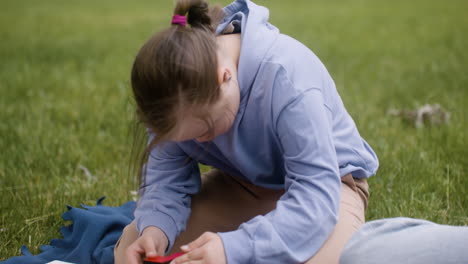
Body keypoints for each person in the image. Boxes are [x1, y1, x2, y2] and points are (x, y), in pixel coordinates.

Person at [114, 0, 378, 263]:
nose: (199, 142)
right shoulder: (170, 91)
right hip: (244, 185)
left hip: (328, 188)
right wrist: (156, 230)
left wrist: (233, 249)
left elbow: (316, 197)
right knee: (131, 248)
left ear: (225, 76)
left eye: (206, 129)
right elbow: (165, 180)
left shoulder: (287, 78)